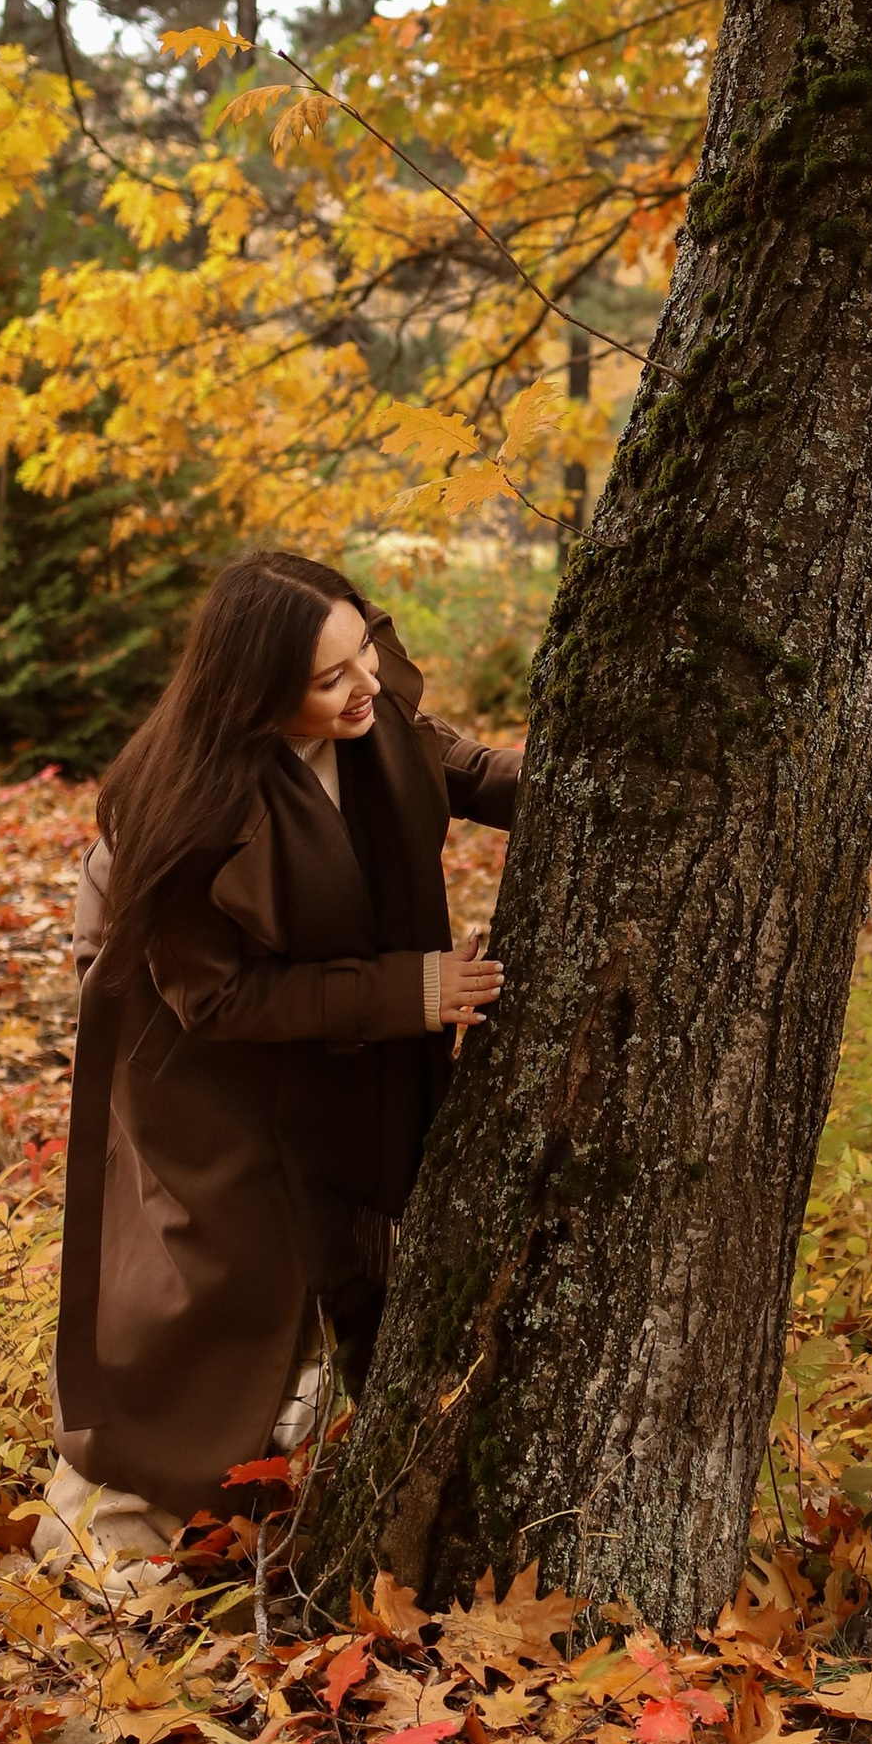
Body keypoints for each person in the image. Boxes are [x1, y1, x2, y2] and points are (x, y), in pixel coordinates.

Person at [37, 552, 520, 1599]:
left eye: (363, 658)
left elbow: (463, 767)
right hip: (201, 1072)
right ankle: (98, 1535)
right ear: (254, 690)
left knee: (341, 1260)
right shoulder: (182, 798)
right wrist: (406, 992)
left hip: (336, 1041)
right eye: (329, 679)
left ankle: (254, 1505)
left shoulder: (372, 717)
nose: (365, 690)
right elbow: (214, 998)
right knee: (212, 1288)